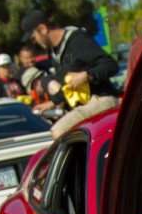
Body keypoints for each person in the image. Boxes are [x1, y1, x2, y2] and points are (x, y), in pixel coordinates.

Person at [20, 9, 119, 137]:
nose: (34, 41)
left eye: (33, 37)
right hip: (81, 106)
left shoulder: (77, 41)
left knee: (59, 131)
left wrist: (86, 75)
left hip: (101, 99)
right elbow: (68, 86)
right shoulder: (54, 51)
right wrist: (52, 102)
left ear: (43, 29)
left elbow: (111, 65)